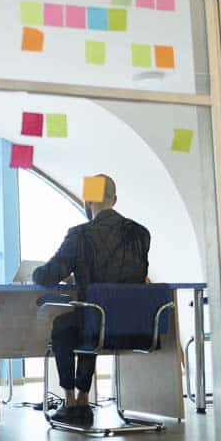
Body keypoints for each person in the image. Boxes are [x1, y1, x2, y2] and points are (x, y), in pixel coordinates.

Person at [33, 174, 150, 424]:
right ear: (114, 200)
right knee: (90, 320)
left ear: (87, 201)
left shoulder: (80, 235)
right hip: (136, 325)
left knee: (66, 327)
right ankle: (83, 400)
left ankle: (73, 401)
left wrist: (36, 272)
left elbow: (48, 275)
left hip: (97, 323)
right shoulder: (141, 233)